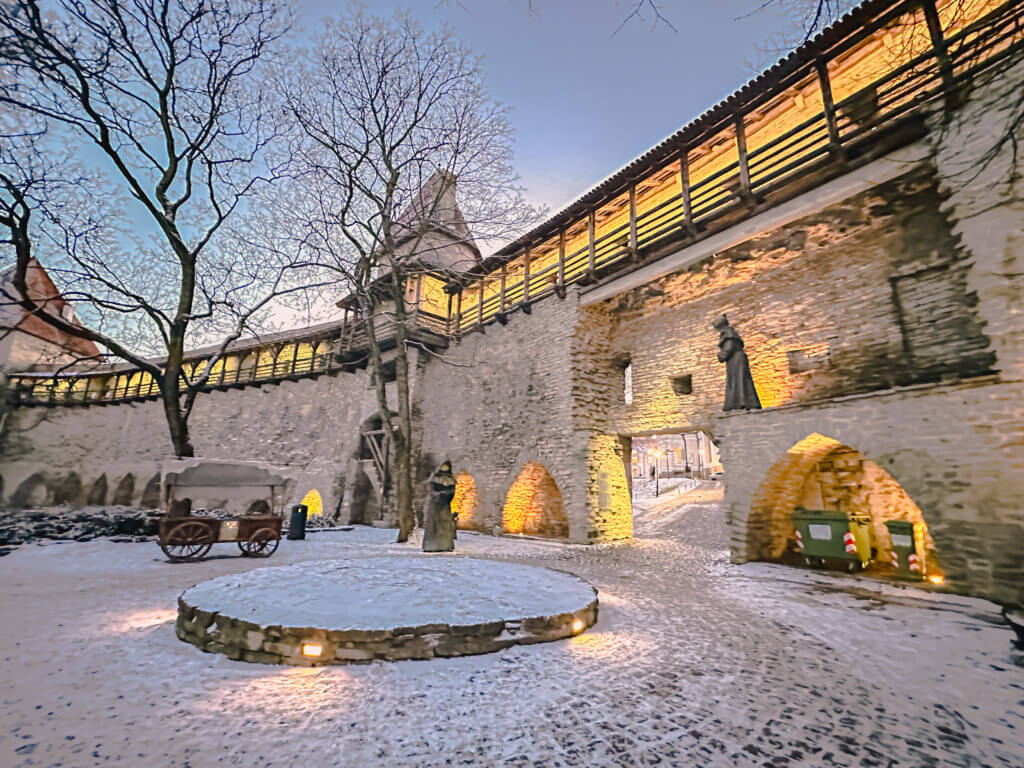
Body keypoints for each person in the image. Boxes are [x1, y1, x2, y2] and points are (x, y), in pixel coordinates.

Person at [713, 314, 762, 411]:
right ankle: (738, 402)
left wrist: (721, 355)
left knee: (739, 380)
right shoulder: (730, 332)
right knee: (737, 380)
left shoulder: (729, 333)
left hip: (736, 359)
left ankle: (742, 402)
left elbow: (729, 347)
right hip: (735, 360)